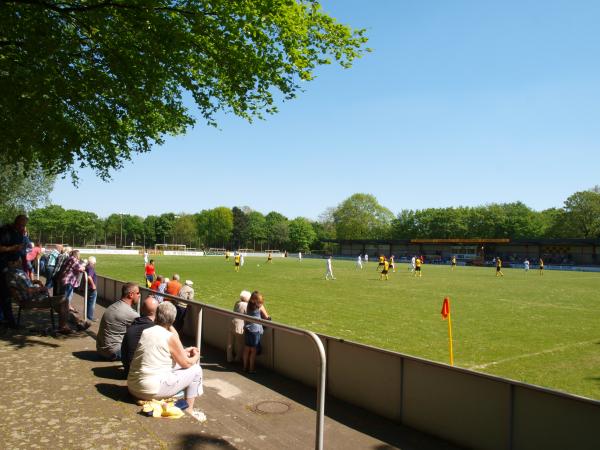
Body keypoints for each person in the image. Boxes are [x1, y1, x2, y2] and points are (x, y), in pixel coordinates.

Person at [127, 302, 205, 421]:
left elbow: (163, 352)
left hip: (133, 386)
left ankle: (178, 400)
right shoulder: (169, 336)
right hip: (149, 390)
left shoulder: (147, 331)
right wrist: (196, 357)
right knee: (196, 370)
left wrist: (183, 351)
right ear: (173, 320)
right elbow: (186, 363)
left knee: (177, 366)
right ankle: (189, 410)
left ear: (156, 316)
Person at [96, 283, 141, 360]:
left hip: (101, 349)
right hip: (113, 353)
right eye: (137, 293)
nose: (139, 295)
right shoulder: (130, 313)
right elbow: (147, 329)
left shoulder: (113, 306)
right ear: (131, 295)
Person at [0, 215, 28, 327]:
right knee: (5, 294)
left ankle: (8, 320)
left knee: (6, 294)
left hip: (13, 267)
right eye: (21, 225)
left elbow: (19, 252)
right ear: (16, 222)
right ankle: (8, 321)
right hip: (3, 266)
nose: (23, 228)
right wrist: (13, 248)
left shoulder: (19, 233)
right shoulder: (5, 232)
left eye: (24, 226)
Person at [121, 295, 159, 376]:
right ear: (156, 312)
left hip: (127, 369)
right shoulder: (153, 329)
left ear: (142, 309)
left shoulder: (134, 323)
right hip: (138, 374)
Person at [243, 291, 270, 373]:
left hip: (247, 329)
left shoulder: (248, 305)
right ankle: (251, 369)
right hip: (255, 330)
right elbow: (267, 317)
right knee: (253, 350)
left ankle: (244, 368)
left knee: (247, 349)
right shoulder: (260, 306)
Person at [227, 290, 251, 363]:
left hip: (232, 323)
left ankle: (229, 358)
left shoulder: (237, 303)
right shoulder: (246, 305)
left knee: (230, 343)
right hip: (240, 326)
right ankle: (237, 359)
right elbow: (248, 315)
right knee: (240, 344)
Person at [85, 256, 98, 321]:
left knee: (89, 302)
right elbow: (89, 277)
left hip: (89, 287)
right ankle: (90, 316)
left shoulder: (87, 267)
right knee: (91, 303)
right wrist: (93, 285)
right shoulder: (90, 268)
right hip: (91, 288)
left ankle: (88, 315)